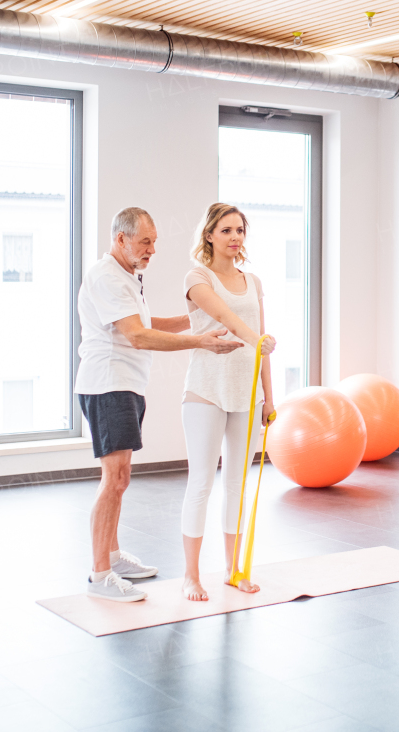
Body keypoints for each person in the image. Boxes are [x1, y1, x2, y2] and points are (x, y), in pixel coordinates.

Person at [77, 207, 242, 603]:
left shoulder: (128, 276)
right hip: (108, 385)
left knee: (121, 479)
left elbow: (148, 324)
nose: (152, 250)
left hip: (126, 386)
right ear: (121, 240)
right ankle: (100, 575)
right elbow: (138, 337)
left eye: (154, 242)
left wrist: (196, 318)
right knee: (113, 479)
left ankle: (112, 557)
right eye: (145, 242)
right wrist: (202, 341)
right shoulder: (106, 277)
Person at [180, 202, 277, 601]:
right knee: (202, 482)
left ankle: (234, 569)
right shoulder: (197, 277)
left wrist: (270, 397)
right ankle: (190, 576)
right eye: (226, 231)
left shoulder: (252, 282)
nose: (235, 237)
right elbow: (228, 319)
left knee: (236, 483)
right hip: (205, 391)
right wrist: (256, 339)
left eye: (240, 230)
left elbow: (262, 342)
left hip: (246, 394)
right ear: (209, 235)